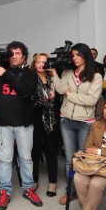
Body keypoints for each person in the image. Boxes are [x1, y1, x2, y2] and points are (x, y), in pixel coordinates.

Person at [0, 41, 42, 210]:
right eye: (12, 53)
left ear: (24, 56)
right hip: (3, 124)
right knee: (5, 159)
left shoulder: (30, 74)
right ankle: (4, 191)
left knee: (25, 158)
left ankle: (28, 188)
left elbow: (25, 90)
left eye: (18, 53)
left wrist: (5, 74)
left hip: (24, 124)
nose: (14, 56)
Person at [49, 43, 103, 205]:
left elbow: (91, 100)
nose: (75, 58)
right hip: (66, 120)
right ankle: (71, 191)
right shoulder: (67, 72)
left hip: (85, 122)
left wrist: (69, 95)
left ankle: (83, 193)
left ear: (85, 55)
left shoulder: (96, 76)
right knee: (68, 159)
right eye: (73, 55)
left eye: (78, 55)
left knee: (83, 159)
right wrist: (53, 74)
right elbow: (60, 89)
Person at [30, 53, 61, 197]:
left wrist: (53, 100)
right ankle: (34, 180)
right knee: (34, 151)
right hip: (35, 117)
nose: (42, 64)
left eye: (44, 62)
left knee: (51, 151)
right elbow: (29, 99)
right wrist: (45, 100)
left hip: (51, 118)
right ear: (34, 64)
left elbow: (60, 95)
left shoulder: (53, 77)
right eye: (38, 62)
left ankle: (52, 183)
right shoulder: (29, 78)